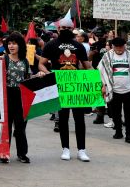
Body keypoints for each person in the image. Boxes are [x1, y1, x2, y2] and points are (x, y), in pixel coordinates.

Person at [42, 17, 92, 162]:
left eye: (68, 28)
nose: (65, 30)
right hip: (60, 85)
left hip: (76, 86)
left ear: (73, 29)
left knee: (79, 119)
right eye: (63, 28)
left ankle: (82, 150)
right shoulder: (51, 45)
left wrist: (98, 81)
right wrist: (49, 74)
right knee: (63, 118)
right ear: (58, 29)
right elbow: (41, 64)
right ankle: (66, 149)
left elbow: (87, 66)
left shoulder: (79, 46)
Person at [2, 32, 49, 163]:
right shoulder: (3, 59)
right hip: (6, 95)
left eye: (14, 43)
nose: (11, 46)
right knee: (6, 127)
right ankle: (4, 153)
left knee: (20, 126)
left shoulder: (25, 61)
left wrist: (38, 75)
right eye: (9, 43)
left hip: (21, 96)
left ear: (20, 45)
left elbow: (28, 79)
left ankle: (22, 153)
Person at [99, 37, 130, 144]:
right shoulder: (107, 56)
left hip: (129, 89)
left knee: (129, 113)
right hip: (113, 90)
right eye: (116, 47)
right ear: (113, 47)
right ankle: (118, 131)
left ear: (125, 46)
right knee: (115, 113)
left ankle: (129, 134)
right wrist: (103, 86)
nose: (119, 49)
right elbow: (101, 71)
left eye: (121, 47)